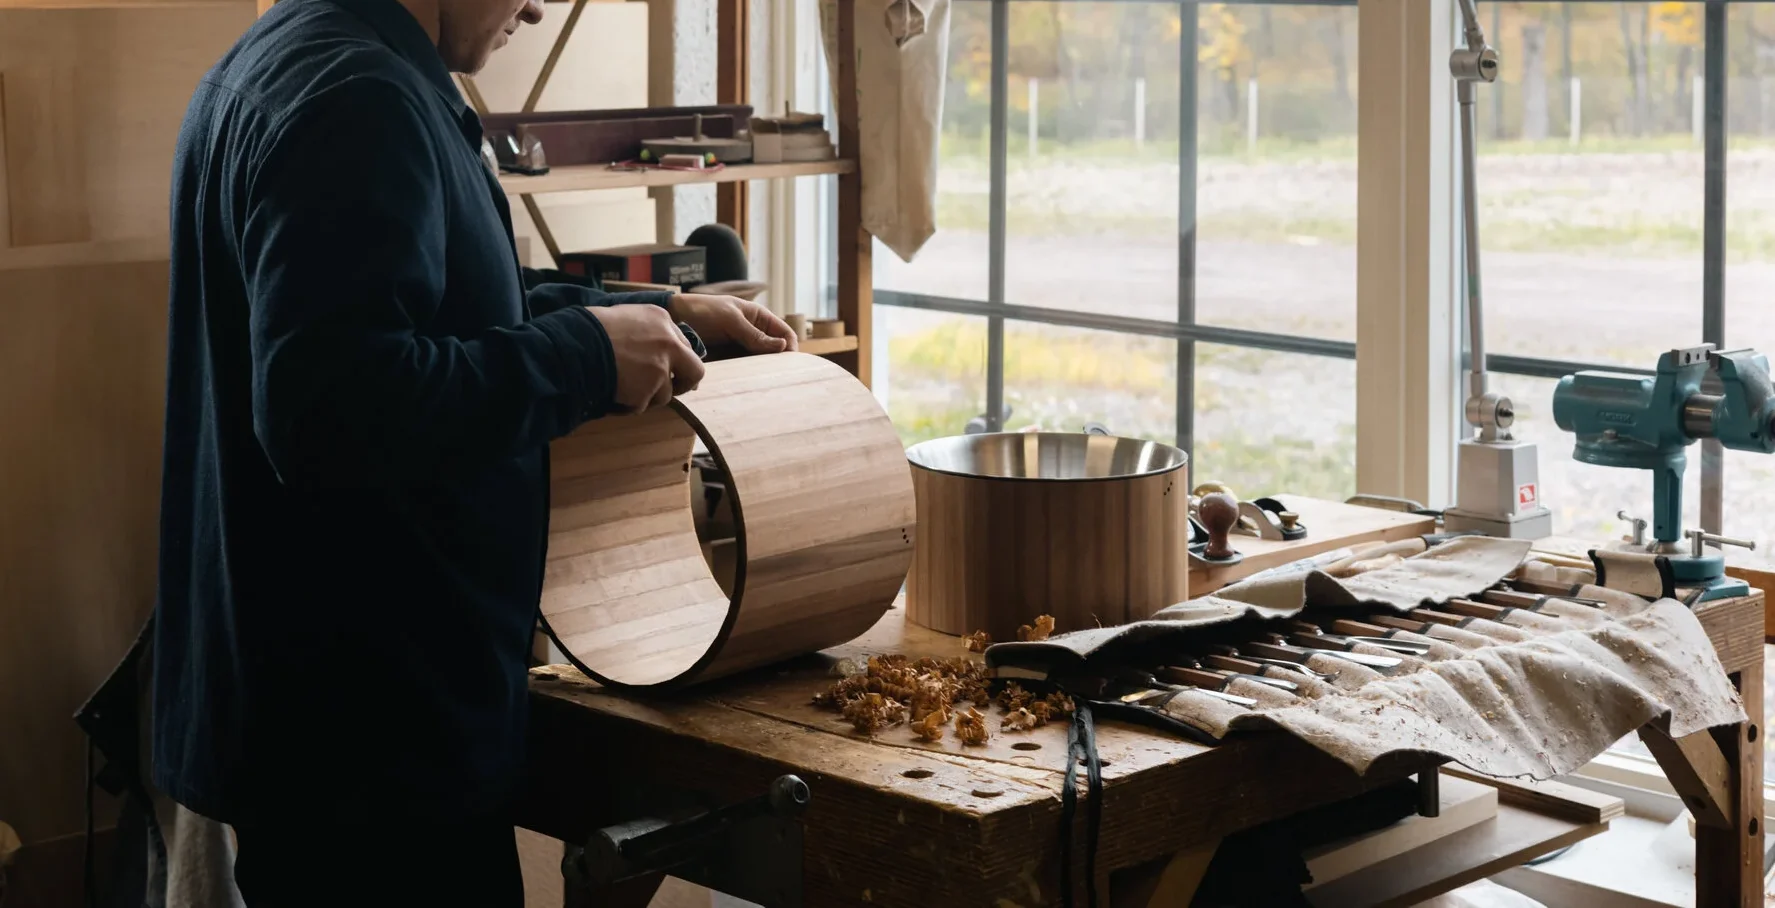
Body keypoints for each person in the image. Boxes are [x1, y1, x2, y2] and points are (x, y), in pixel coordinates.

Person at [149, 0, 798, 903]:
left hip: (325, 722)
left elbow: (446, 303)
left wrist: (653, 312)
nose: (534, 7)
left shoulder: (285, 55)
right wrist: (583, 360)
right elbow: (331, 411)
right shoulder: (359, 100)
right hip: (371, 753)